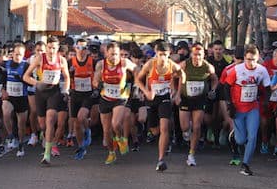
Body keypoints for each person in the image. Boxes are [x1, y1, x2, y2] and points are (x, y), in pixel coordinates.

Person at [222, 44, 271, 176]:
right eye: (248, 59)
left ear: (258, 58)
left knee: (252, 136)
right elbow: (226, 86)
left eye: (253, 59)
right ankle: (235, 135)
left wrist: (266, 101)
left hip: (252, 108)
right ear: (244, 58)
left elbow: (267, 87)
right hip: (238, 108)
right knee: (241, 140)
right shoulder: (237, 70)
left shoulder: (262, 70)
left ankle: (245, 164)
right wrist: (229, 104)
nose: (251, 62)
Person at [136, 41, 185, 172]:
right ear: (156, 54)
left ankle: (161, 159)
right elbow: (138, 79)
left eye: (165, 54)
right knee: (155, 130)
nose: (162, 58)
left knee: (164, 128)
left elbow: (182, 75)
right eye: (160, 54)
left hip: (165, 98)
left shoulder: (172, 65)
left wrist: (178, 94)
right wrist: (146, 92)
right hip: (152, 99)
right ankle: (166, 138)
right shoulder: (150, 64)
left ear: (169, 54)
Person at [23, 36, 70, 166]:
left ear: (58, 48)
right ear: (46, 47)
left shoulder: (61, 60)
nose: (51, 51)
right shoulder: (40, 58)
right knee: (42, 125)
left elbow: (67, 77)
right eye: (49, 48)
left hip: (54, 92)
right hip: (40, 92)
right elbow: (26, 76)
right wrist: (37, 83)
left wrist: (66, 90)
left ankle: (47, 154)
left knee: (50, 120)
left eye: (54, 48)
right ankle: (46, 137)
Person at [93, 42, 140, 165]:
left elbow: (137, 70)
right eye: (112, 54)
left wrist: (136, 85)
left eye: (116, 54)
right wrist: (98, 84)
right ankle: (111, 153)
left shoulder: (124, 63)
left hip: (120, 97)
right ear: (106, 53)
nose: (114, 57)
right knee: (106, 130)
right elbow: (95, 80)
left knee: (116, 123)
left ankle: (120, 138)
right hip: (105, 98)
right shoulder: (101, 64)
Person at [176, 42, 218, 167]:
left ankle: (191, 154)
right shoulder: (184, 64)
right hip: (185, 98)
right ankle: (186, 132)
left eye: (199, 54)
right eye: (195, 54)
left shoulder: (208, 67)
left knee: (197, 126)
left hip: (200, 99)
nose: (197, 57)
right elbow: (174, 77)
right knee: (184, 127)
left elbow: (215, 80)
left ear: (204, 55)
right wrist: (176, 93)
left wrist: (212, 90)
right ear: (191, 54)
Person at [69, 38, 97, 159]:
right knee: (76, 124)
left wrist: (96, 88)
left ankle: (87, 130)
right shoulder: (70, 62)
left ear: (87, 50)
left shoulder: (93, 62)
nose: (81, 50)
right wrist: (70, 74)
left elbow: (98, 76)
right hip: (75, 93)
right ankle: (81, 147)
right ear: (75, 48)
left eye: (84, 48)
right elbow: (65, 76)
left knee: (81, 117)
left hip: (88, 94)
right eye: (79, 47)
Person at [2, 42, 30, 157]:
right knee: (6, 113)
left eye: (21, 55)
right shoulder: (7, 64)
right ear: (12, 53)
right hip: (9, 96)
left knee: (21, 125)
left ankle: (21, 144)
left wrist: (21, 78)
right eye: (16, 54)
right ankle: (10, 135)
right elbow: (2, 78)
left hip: (21, 97)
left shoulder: (26, 65)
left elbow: (30, 82)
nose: (18, 57)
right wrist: (3, 90)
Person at [260, 47, 277, 154]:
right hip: (267, 98)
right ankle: (264, 142)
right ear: (273, 57)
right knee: (265, 123)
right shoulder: (265, 66)